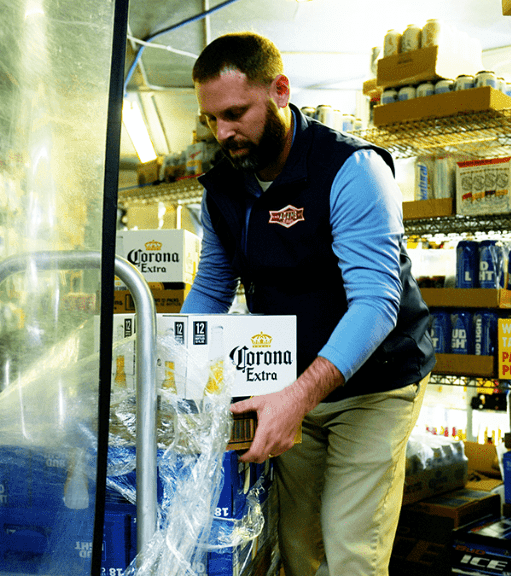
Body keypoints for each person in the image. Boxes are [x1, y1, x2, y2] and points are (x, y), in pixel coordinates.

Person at [180, 32, 436, 576]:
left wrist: (299, 395)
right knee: (297, 549)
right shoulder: (223, 187)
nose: (224, 132)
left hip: (374, 383)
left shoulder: (351, 170)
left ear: (279, 91)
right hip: (287, 384)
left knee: (349, 554)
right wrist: (176, 373)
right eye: (211, 120)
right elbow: (211, 289)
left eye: (236, 112)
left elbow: (375, 302)